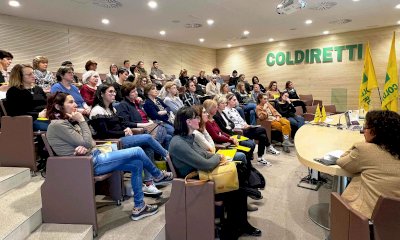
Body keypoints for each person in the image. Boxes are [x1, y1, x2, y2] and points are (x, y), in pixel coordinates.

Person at [46, 92, 172, 221]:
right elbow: (89, 142)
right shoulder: (58, 125)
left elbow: (91, 143)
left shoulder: (66, 122)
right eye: (70, 102)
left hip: (92, 157)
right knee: (138, 151)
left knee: (137, 164)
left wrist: (85, 144)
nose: (75, 105)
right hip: (88, 163)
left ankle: (139, 207)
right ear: (57, 106)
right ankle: (158, 176)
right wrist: (82, 121)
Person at [169, 106, 262, 239]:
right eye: (196, 117)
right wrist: (218, 157)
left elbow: (206, 155)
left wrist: (213, 157)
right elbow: (206, 164)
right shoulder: (179, 143)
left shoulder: (189, 137)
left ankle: (239, 225)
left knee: (239, 177)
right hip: (196, 184)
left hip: (202, 176)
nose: (199, 119)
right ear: (188, 122)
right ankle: (232, 231)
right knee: (237, 189)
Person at [89, 84, 173, 196]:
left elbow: (121, 124)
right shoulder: (97, 110)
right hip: (112, 143)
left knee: (147, 146)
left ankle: (149, 183)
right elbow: (104, 133)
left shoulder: (111, 108)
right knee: (147, 138)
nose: (114, 94)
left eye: (114, 91)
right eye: (110, 92)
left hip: (121, 137)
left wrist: (126, 128)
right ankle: (166, 158)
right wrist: (123, 132)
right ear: (101, 94)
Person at [337, 110, 400, 219]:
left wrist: (359, 144)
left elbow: (341, 161)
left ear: (374, 132)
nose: (363, 130)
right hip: (394, 220)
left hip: (367, 218)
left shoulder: (365, 150)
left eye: (365, 127)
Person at [115, 82, 172, 148]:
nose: (136, 93)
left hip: (149, 126)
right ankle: (164, 154)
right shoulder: (123, 105)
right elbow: (126, 123)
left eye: (136, 90)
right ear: (127, 94)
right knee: (167, 132)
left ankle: (162, 154)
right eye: (133, 92)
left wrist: (149, 121)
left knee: (168, 136)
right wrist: (145, 125)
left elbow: (146, 116)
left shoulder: (138, 103)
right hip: (142, 129)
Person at [224, 93, 280, 158]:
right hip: (239, 131)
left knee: (262, 136)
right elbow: (230, 125)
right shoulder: (225, 111)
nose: (236, 101)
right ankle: (268, 146)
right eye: (234, 100)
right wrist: (242, 127)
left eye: (236, 99)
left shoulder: (234, 110)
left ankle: (260, 157)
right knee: (263, 129)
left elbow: (241, 120)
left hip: (245, 128)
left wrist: (246, 124)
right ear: (228, 101)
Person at [211, 97, 261, 164]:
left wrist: (229, 127)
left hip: (232, 134)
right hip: (229, 136)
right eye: (222, 103)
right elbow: (223, 129)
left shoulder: (223, 113)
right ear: (218, 105)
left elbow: (232, 124)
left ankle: (249, 162)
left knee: (253, 142)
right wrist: (229, 132)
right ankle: (247, 163)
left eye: (225, 103)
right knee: (250, 145)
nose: (225, 105)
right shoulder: (216, 116)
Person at [6, 64, 48, 131]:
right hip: (28, 121)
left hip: (45, 117)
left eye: (33, 73)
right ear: (19, 77)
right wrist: (38, 114)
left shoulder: (38, 89)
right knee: (55, 128)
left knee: (66, 123)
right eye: (29, 74)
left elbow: (46, 104)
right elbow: (14, 112)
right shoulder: (13, 91)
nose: (33, 76)